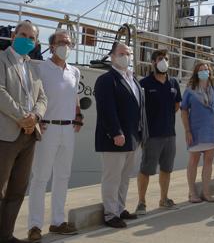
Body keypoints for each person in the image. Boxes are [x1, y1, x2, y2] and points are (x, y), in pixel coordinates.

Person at [27, 30, 82, 241]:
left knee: (62, 176)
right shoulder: (40, 68)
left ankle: (58, 221)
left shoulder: (74, 71)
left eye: (68, 43)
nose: (65, 46)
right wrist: (37, 118)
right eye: (61, 42)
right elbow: (33, 95)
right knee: (40, 178)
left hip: (68, 130)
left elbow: (74, 95)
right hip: (47, 129)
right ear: (52, 46)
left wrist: (78, 115)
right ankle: (34, 225)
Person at [0, 21, 47, 243]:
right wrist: (22, 117)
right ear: (13, 35)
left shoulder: (33, 67)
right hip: (6, 134)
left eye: (32, 38)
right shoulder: (2, 59)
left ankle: (6, 235)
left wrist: (35, 117)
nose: (27, 40)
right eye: (23, 35)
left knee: (18, 189)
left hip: (29, 135)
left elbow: (42, 98)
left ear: (36, 42)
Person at [95, 43, 147, 228]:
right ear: (112, 57)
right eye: (122, 53)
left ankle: (120, 207)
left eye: (129, 53)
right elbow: (106, 109)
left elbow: (139, 109)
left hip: (133, 137)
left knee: (125, 176)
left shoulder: (134, 80)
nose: (126, 56)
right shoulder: (106, 80)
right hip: (115, 138)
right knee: (112, 177)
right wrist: (115, 132)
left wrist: (142, 134)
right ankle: (110, 214)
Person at [135, 50, 182, 215]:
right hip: (152, 135)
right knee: (146, 169)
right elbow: (138, 109)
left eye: (166, 59)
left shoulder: (174, 83)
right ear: (153, 62)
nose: (164, 62)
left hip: (170, 134)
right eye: (160, 59)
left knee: (167, 168)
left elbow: (177, 105)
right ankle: (141, 202)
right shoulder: (144, 84)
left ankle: (164, 198)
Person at [181, 62, 214, 203]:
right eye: (201, 70)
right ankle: (192, 193)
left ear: (210, 72)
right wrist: (187, 130)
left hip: (212, 131)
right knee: (193, 161)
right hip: (196, 131)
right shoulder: (190, 90)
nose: (204, 72)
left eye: (206, 69)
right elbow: (183, 111)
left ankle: (206, 192)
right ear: (196, 73)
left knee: (208, 161)